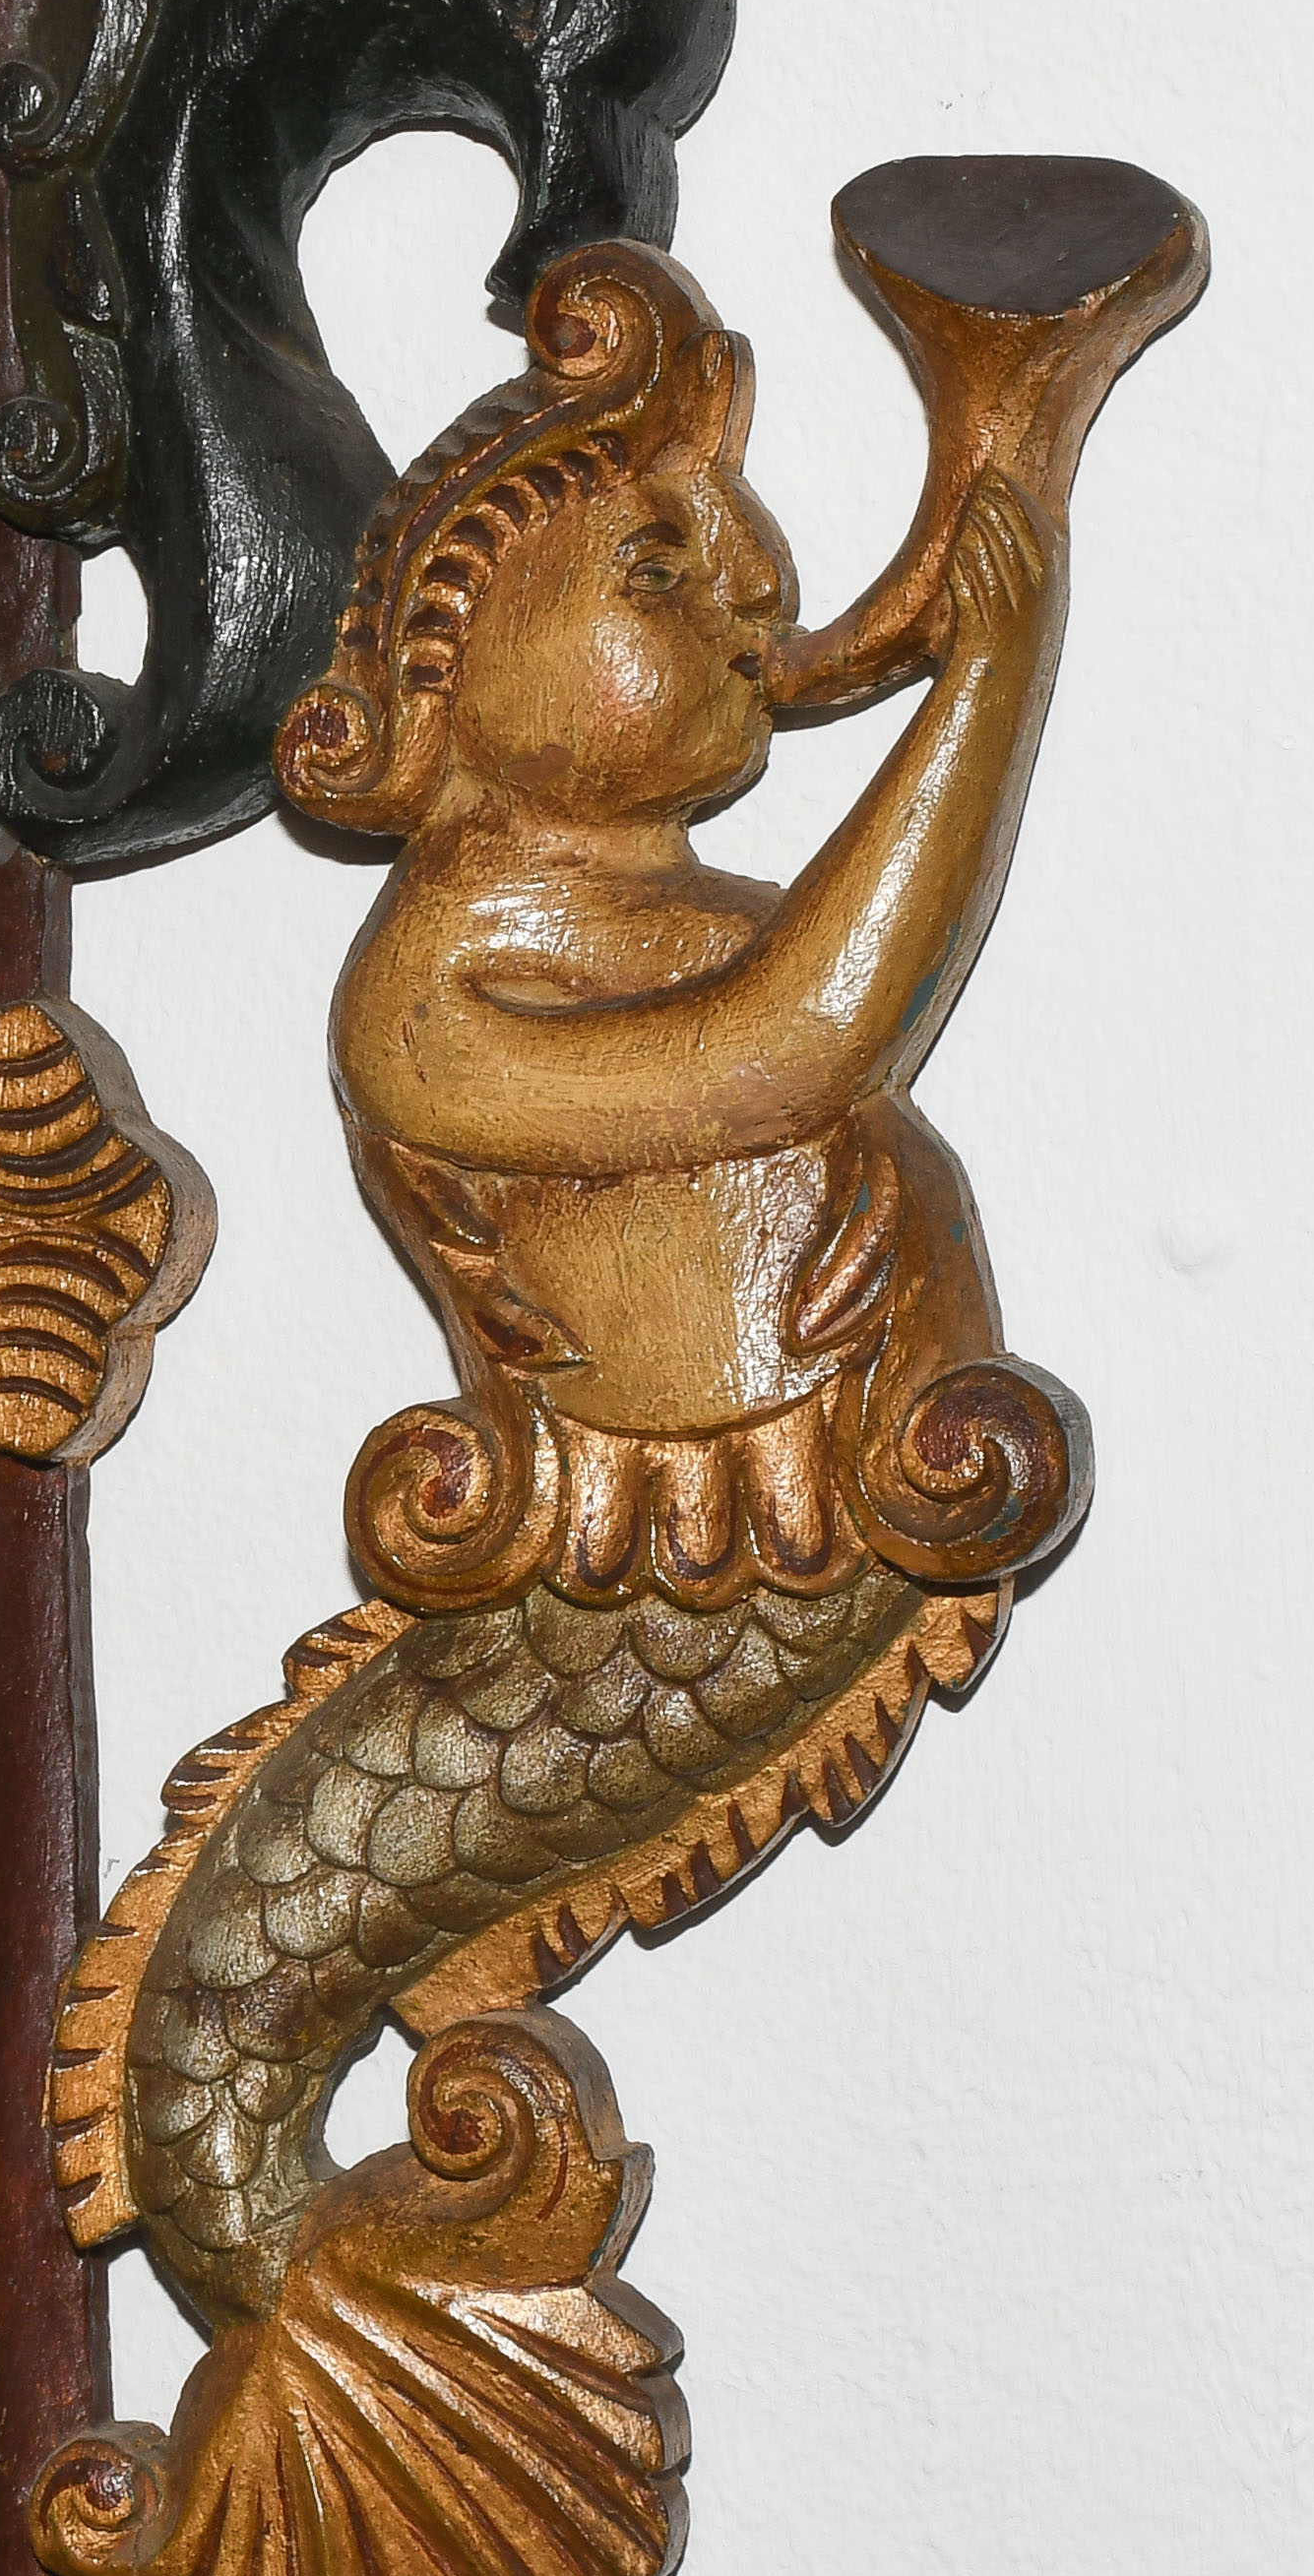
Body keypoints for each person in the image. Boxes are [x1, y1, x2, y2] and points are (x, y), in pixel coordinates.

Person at [277, 238, 1088, 1610]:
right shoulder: (424, 998)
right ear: (439, 673)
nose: (760, 591)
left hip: (825, 1508)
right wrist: (985, 684)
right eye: (657, 574)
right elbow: (801, 1038)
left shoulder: (679, 917)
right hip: (655, 1555)